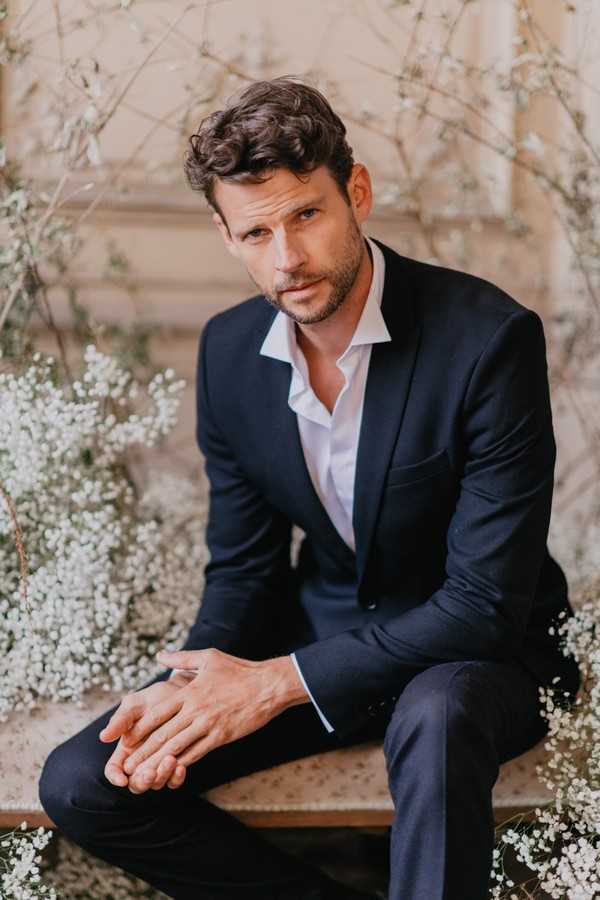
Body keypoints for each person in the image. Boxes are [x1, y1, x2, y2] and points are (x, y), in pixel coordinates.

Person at [39, 75, 581, 900]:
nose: (286, 258)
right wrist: (201, 687)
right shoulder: (227, 354)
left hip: (481, 659)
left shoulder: (489, 340)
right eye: (256, 231)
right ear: (226, 235)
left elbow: (482, 604)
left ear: (355, 192)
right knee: (83, 780)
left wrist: (274, 682)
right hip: (319, 636)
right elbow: (245, 573)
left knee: (436, 717)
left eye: (306, 215)